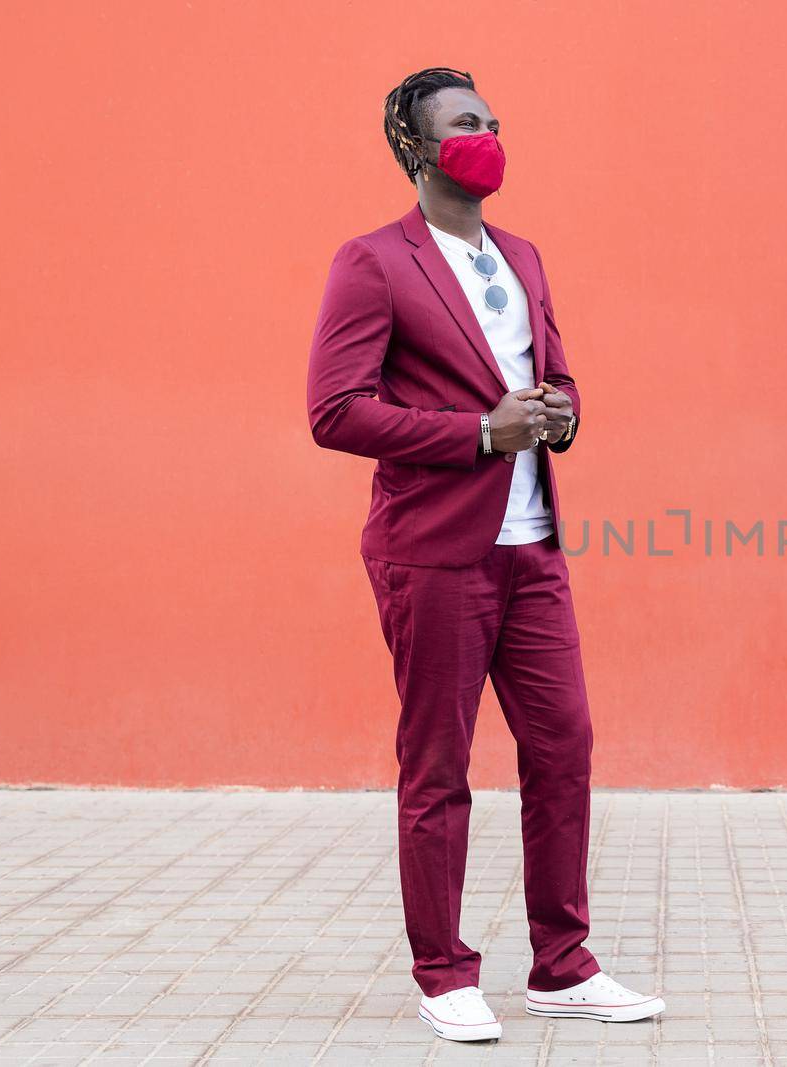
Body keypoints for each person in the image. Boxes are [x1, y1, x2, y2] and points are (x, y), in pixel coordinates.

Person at [305, 66, 665, 1042]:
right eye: (467, 123)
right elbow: (334, 411)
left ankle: (562, 962)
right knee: (438, 762)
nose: (489, 135)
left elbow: (555, 370)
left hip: (532, 545)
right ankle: (443, 970)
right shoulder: (374, 261)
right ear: (416, 146)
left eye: (495, 121)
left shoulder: (523, 256)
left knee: (564, 750)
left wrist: (560, 412)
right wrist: (476, 433)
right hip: (434, 552)